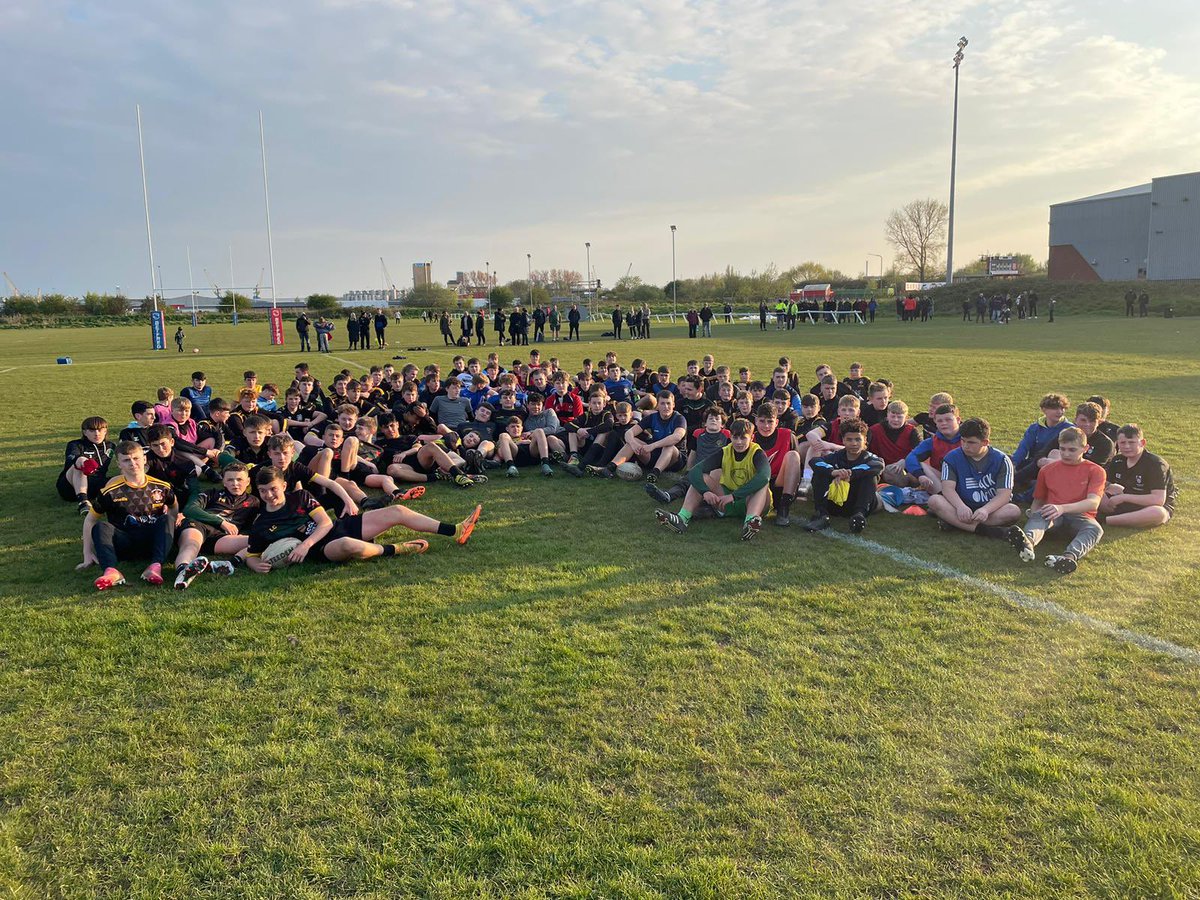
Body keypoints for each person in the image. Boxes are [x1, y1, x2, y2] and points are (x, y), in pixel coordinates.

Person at [240, 467, 481, 571]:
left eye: (273, 488)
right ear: (257, 492)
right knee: (346, 545)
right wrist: (256, 565)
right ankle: (396, 549)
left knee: (397, 511)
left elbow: (325, 523)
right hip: (324, 549)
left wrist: (305, 544)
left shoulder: (301, 496)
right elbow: (252, 554)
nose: (269, 495)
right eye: (263, 491)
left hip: (332, 531)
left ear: (283, 485)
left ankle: (456, 530)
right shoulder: (261, 523)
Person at [79, 441, 177, 590]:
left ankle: (155, 566)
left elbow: (173, 507)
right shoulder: (110, 492)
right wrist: (87, 553)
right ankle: (111, 571)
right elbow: (90, 520)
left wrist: (173, 521)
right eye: (126, 460)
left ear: (144, 459)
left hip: (152, 542)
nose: (133, 463)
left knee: (168, 519)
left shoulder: (162, 486)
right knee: (101, 526)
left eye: (136, 458)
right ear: (119, 464)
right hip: (124, 543)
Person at [654, 418, 770, 541]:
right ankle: (682, 518)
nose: (739, 442)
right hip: (728, 501)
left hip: (751, 502)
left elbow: (764, 476)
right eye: (735, 438)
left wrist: (735, 496)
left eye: (743, 438)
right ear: (730, 436)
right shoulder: (725, 451)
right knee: (702, 478)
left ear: (752, 438)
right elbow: (695, 471)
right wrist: (705, 491)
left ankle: (750, 523)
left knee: (762, 484)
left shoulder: (757, 453)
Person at [1008, 427, 1105, 574]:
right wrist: (1034, 515)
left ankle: (1068, 557)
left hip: (1080, 516)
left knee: (1095, 529)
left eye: (1072, 450)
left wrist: (1062, 508)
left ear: (1085, 448)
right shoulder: (1047, 470)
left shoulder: (1096, 471)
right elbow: (1038, 501)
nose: (1066, 454)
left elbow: (1093, 502)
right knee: (1040, 515)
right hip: (1052, 515)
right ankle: (1027, 544)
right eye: (1062, 449)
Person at [927, 417, 1020, 538]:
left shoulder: (1002, 460)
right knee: (934, 501)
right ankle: (987, 531)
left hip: (990, 509)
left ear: (985, 442)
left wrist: (986, 510)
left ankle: (954, 522)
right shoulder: (951, 457)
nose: (965, 446)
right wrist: (960, 507)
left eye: (971, 442)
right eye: (963, 441)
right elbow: (947, 488)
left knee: (1013, 511)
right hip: (959, 506)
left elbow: (1004, 494)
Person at [171, 461, 259, 588]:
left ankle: (226, 564)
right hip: (199, 526)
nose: (235, 484)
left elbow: (253, 526)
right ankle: (183, 572)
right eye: (230, 480)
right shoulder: (212, 493)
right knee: (191, 545)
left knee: (258, 541)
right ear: (223, 481)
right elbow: (190, 509)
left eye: (239, 479)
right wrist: (221, 522)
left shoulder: (253, 502)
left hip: (222, 538)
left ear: (248, 481)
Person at [803, 418, 883, 533]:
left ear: (865, 440)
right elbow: (814, 461)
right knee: (821, 472)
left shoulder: (870, 458)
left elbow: (878, 465)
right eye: (849, 440)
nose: (854, 443)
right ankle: (821, 515)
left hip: (858, 502)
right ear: (843, 441)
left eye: (858, 439)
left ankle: (859, 516)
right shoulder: (836, 456)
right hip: (836, 503)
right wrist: (832, 472)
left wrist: (851, 474)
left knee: (870, 476)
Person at [1098, 423, 1177, 528]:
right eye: (1123, 443)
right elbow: (1103, 483)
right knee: (1094, 492)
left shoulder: (1156, 464)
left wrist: (1124, 497)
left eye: (1131, 442)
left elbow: (1158, 500)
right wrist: (1107, 488)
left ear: (1142, 443)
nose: (1127, 446)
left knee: (1158, 513)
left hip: (1148, 507)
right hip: (1121, 503)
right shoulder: (1118, 460)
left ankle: (1104, 519)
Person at [58, 416, 116, 514]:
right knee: (79, 464)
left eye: (100, 430)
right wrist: (85, 461)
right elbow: (73, 458)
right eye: (92, 430)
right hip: (70, 486)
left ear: (105, 431)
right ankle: (83, 502)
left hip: (95, 485)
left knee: (121, 477)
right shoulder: (75, 444)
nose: (97, 433)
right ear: (85, 432)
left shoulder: (111, 446)